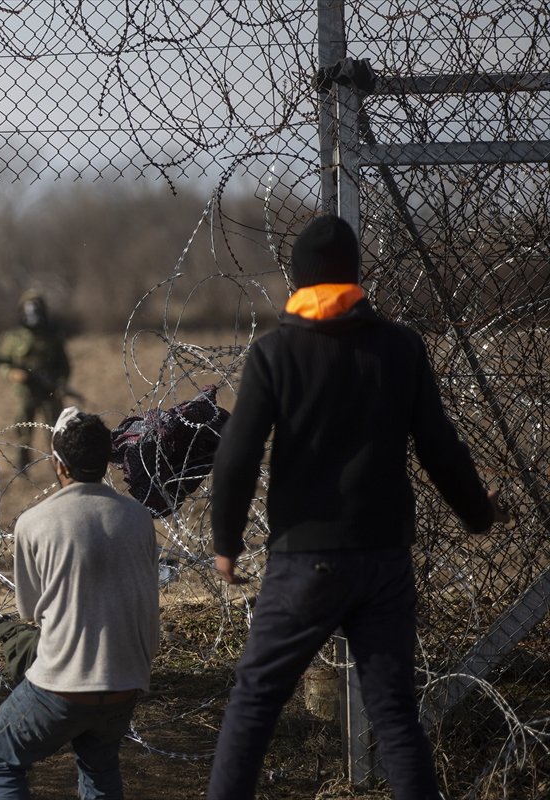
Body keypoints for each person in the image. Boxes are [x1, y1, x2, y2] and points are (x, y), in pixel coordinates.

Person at [205, 214, 509, 800]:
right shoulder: (401, 349)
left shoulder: (275, 355)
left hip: (304, 559)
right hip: (384, 557)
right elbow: (441, 448)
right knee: (394, 713)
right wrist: (478, 514)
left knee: (256, 701)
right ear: (355, 275)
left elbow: (237, 457)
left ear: (298, 281)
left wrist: (227, 541)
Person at [0, 407, 160, 800]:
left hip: (63, 685)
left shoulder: (34, 522)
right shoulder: (139, 517)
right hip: (126, 682)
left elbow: (30, 611)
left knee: (0, 761)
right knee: (100, 768)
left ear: (60, 464)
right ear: (106, 461)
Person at [0, 289, 72, 470]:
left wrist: (60, 383)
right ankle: (22, 469)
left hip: (49, 392)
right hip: (25, 392)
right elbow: (2, 363)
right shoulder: (13, 337)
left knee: (55, 431)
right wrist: (12, 374)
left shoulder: (52, 334)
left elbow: (65, 364)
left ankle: (60, 469)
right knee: (23, 431)